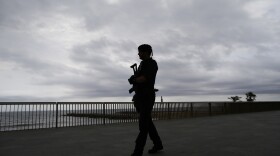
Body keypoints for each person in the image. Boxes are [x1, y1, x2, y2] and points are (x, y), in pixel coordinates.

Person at [129, 44, 163, 156]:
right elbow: (138, 79)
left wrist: (134, 79)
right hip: (140, 97)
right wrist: (134, 80)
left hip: (147, 97)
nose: (138, 53)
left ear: (146, 52)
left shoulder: (152, 64)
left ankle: (137, 152)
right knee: (148, 123)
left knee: (143, 125)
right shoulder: (142, 64)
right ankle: (158, 144)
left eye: (140, 51)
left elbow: (143, 79)